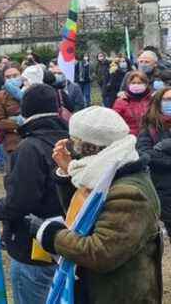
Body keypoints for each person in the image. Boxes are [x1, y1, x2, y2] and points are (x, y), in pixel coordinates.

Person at [33, 106, 162, 303]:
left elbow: (100, 253)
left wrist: (50, 234)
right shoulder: (106, 173)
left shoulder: (128, 193)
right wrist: (68, 172)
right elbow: (83, 217)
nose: (71, 148)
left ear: (91, 148)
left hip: (118, 294)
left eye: (74, 143)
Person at [0, 84, 69, 304]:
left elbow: (19, 203)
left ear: (25, 110)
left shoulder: (29, 148)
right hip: (65, 238)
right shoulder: (69, 140)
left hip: (33, 245)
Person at [136, 86, 171, 244]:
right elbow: (145, 153)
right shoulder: (150, 127)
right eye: (167, 100)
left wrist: (165, 146)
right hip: (163, 189)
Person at [0, 64, 23, 172]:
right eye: (8, 77)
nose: (12, 79)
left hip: (34, 141)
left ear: (21, 75)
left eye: (15, 75)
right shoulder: (0, 96)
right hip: (13, 143)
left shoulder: (31, 91)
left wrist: (12, 118)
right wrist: (20, 122)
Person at [112, 71, 152, 136]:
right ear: (128, 84)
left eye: (139, 83)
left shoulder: (153, 100)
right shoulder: (121, 101)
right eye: (133, 83)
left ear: (146, 84)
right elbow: (114, 121)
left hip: (149, 138)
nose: (136, 85)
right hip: (128, 137)